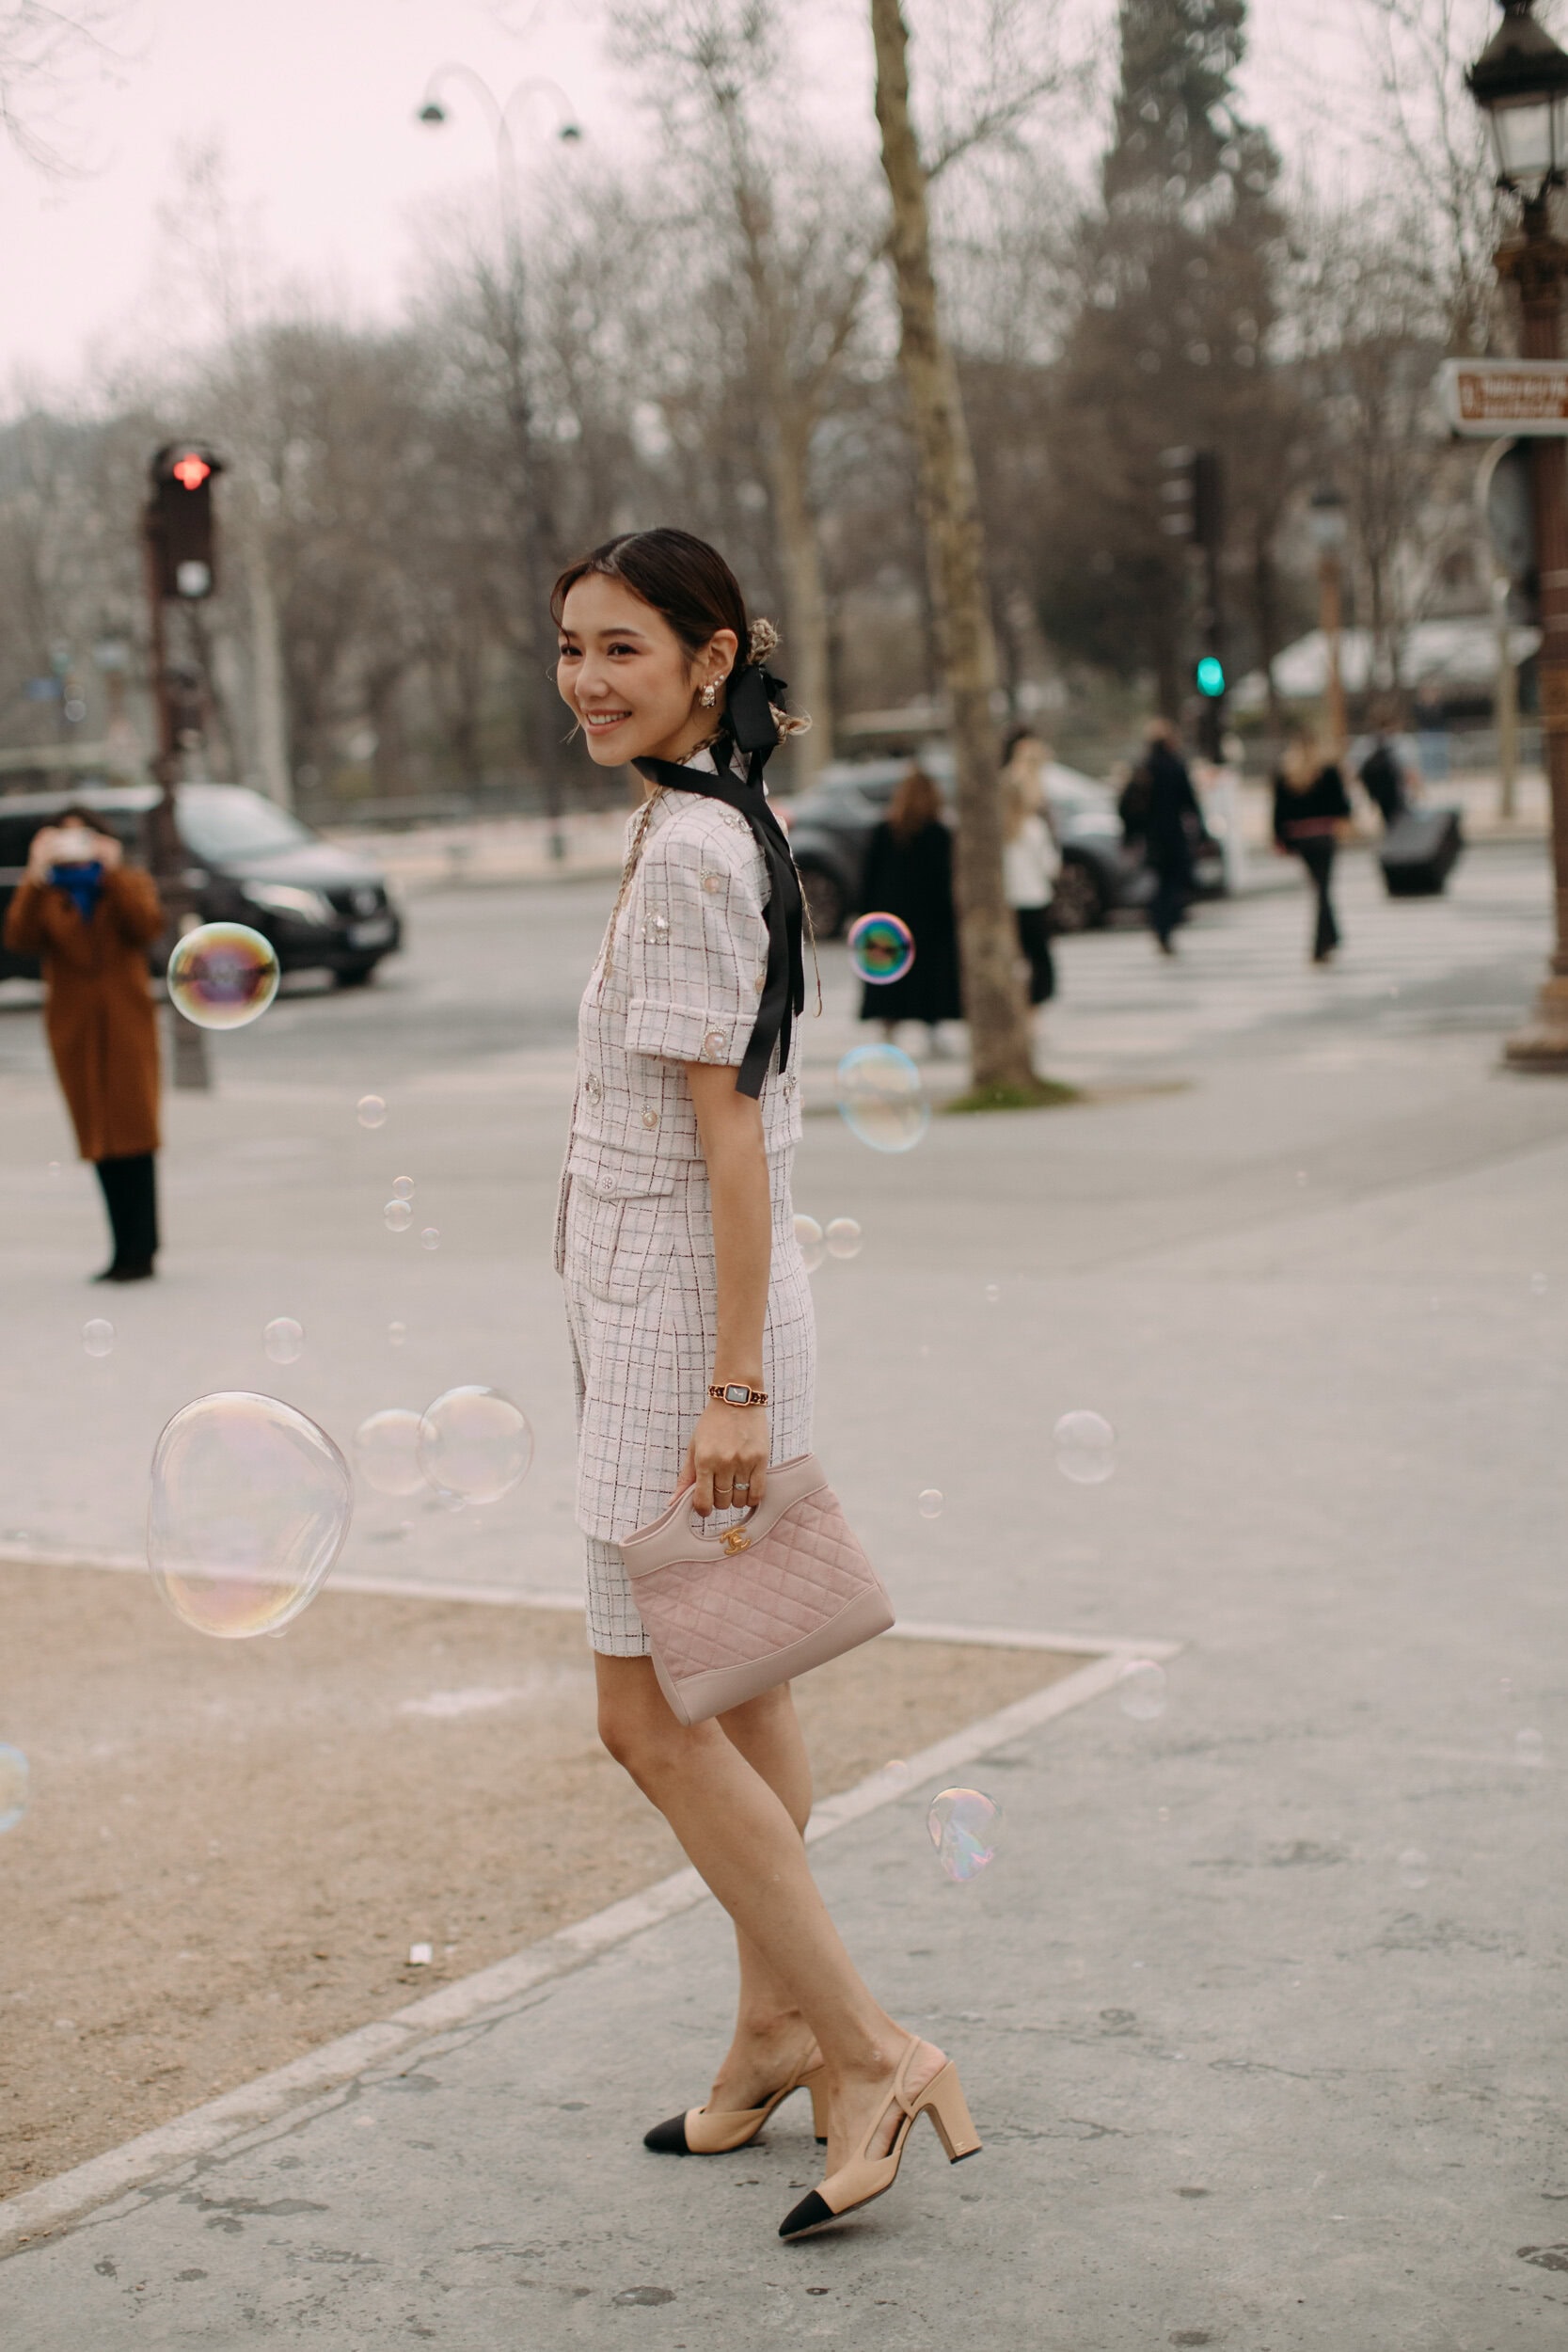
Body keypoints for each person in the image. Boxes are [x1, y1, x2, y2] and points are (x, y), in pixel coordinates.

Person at [551, 526, 974, 2243]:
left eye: (623, 648)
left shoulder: (692, 854)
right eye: (570, 645)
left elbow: (728, 1140)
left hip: (683, 1334)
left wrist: (723, 1392)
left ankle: (870, 2046)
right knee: (746, 1689)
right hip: (686, 1312)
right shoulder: (709, 815)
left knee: (646, 1716)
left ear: (711, 658)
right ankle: (771, 2029)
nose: (585, 677)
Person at [3, 805, 165, 1280]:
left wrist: (112, 871)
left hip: (127, 1025)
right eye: (64, 839)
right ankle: (122, 1250)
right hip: (75, 1031)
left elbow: (147, 926)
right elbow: (18, 937)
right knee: (98, 1136)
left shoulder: (125, 883)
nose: (74, 848)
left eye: (84, 837)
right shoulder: (48, 894)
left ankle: (144, 1247)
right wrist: (34, 873)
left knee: (136, 1134)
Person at [855, 761, 963, 1050]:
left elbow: (868, 876)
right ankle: (934, 1027)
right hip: (930, 917)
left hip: (889, 913)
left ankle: (889, 1028)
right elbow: (945, 880)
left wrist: (865, 911)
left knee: (890, 972)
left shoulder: (885, 830)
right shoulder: (939, 833)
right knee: (931, 972)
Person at [1273, 728, 1352, 964]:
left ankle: (1332, 937)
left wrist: (1281, 839)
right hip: (1324, 836)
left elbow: (1279, 812)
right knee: (1323, 889)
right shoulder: (1327, 772)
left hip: (1301, 839)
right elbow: (1342, 806)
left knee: (1320, 888)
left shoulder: (1287, 774)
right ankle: (1321, 943)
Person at [1126, 717, 1202, 955]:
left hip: (1152, 835)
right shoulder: (1174, 765)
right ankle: (1165, 922)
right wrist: (1202, 831)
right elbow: (1190, 801)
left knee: (1161, 881)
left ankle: (1161, 921)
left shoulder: (1143, 768)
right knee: (1172, 881)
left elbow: (1127, 805)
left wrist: (1131, 833)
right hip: (1172, 833)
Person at [1000, 726, 1060, 1011]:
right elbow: (1050, 865)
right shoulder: (1034, 829)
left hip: (1009, 899)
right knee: (1038, 957)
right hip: (1033, 896)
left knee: (1016, 957)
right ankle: (1033, 1007)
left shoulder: (1001, 833)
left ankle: (1020, 1004)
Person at [1357, 704, 1410, 830]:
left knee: (1388, 823)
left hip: (1378, 793)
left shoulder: (1366, 744)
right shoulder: (1400, 742)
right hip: (1396, 793)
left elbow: (1356, 771)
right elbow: (1409, 771)